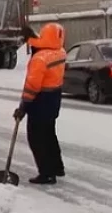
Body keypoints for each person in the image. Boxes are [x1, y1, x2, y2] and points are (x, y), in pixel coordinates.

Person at [13, 22, 67, 185]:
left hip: (40, 100)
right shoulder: (60, 52)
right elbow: (44, 45)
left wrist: (23, 108)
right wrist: (32, 39)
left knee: (36, 138)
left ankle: (47, 173)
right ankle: (58, 167)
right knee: (49, 134)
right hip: (54, 98)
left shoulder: (40, 59)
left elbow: (32, 87)